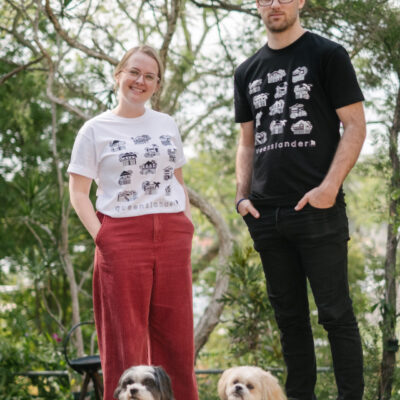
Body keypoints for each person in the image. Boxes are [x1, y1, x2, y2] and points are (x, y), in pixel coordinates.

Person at [234, 1, 366, 399]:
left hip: (317, 211)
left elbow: (356, 126)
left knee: (336, 316)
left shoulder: (327, 54)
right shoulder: (246, 70)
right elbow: (246, 142)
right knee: (290, 321)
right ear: (257, 5)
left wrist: (328, 189)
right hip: (266, 214)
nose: (275, 4)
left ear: (300, 2)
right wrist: (242, 198)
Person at [68, 45, 199, 400]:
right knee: (125, 342)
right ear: (119, 75)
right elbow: (78, 193)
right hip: (121, 236)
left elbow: (177, 179)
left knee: (176, 341)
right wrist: (104, 237)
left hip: (172, 233)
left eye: (150, 76)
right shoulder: (94, 129)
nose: (140, 81)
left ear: (157, 84)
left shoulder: (166, 123)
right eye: (134, 72)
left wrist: (185, 224)